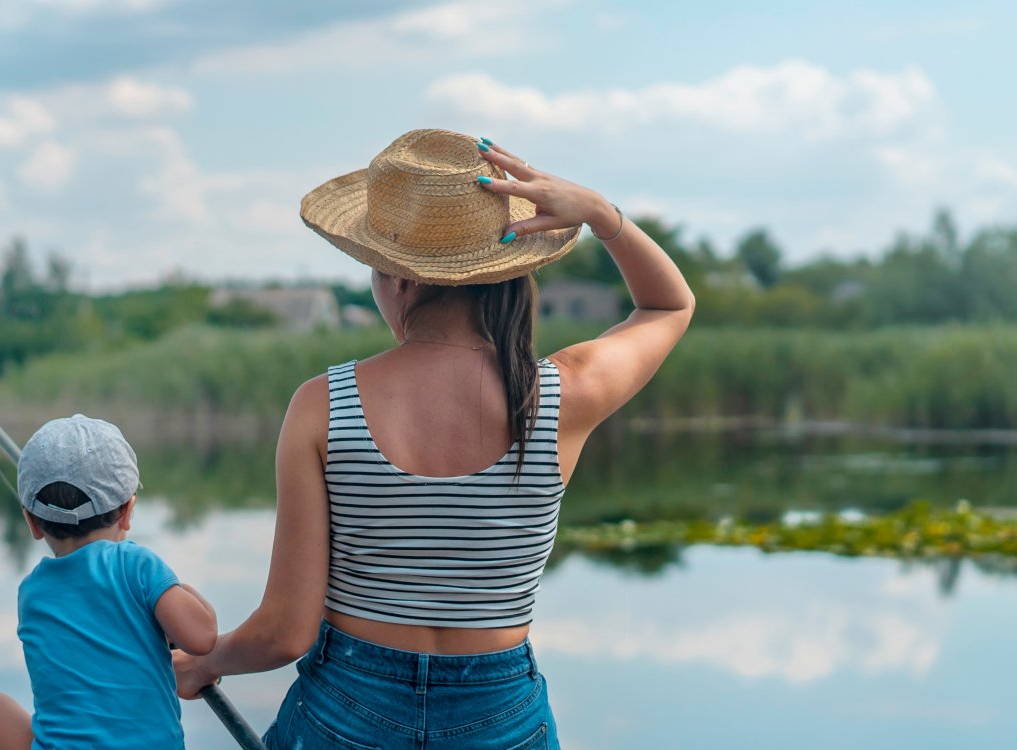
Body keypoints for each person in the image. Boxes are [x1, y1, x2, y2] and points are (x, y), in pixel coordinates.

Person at [172, 129, 695, 748]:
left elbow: (286, 634)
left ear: (399, 279)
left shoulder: (323, 406)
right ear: (508, 273)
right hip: (501, 717)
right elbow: (668, 306)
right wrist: (603, 216)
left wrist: (206, 663)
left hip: (347, 708)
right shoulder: (563, 396)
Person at [0, 414, 218, 750]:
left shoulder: (32, 592)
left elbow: (92, 633)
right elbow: (202, 637)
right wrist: (171, 590)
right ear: (127, 511)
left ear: (32, 523)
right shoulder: (139, 566)